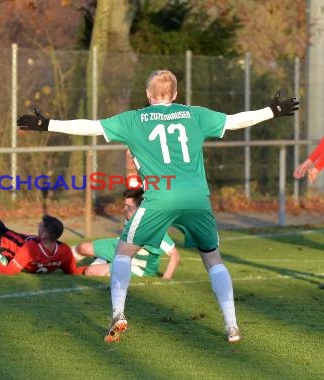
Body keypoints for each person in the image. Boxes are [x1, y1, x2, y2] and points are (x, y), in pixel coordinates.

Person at [17, 69, 299, 343]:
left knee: (123, 251)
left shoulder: (135, 120)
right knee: (212, 259)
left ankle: (117, 313)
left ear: (147, 94)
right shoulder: (194, 114)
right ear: (175, 94)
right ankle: (232, 325)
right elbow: (236, 121)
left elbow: (90, 126)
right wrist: (271, 111)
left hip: (161, 196)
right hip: (197, 197)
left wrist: (48, 124)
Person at [75, 189, 180, 279]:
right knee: (82, 247)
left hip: (139, 267)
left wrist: (166, 278)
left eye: (128, 206)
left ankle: (101, 263)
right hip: (122, 251)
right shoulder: (129, 219)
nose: (124, 209)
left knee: (91, 271)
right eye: (125, 205)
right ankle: (61, 261)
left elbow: (175, 255)